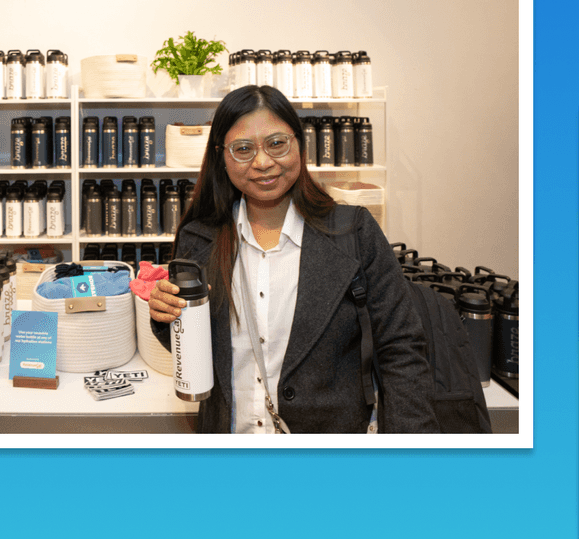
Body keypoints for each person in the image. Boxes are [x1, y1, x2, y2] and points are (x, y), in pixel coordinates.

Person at [147, 85, 437, 433]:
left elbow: (401, 348)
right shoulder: (199, 239)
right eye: (243, 149)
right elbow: (198, 352)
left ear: (299, 144)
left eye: (276, 143)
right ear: (221, 157)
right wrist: (168, 316)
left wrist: (411, 447)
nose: (262, 162)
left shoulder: (353, 233)